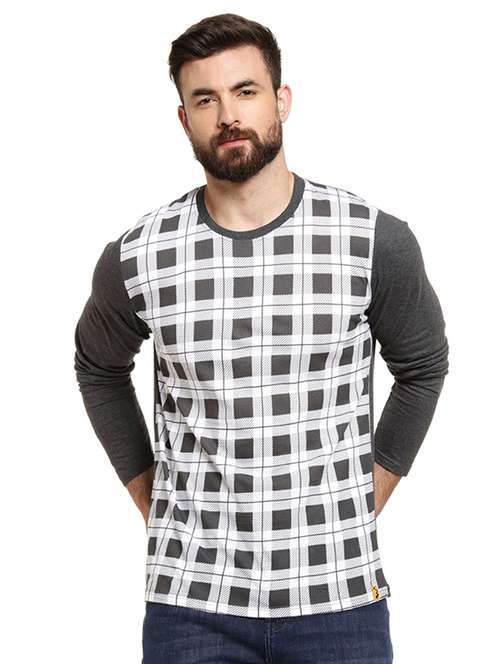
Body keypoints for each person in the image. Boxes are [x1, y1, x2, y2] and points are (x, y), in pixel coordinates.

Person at [73, 12, 449, 664]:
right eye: (205, 99)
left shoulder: (371, 240)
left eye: (245, 91)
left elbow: (423, 365)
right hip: (190, 606)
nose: (228, 116)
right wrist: (150, 495)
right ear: (184, 119)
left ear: (281, 100)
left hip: (339, 598)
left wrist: (371, 490)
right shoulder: (139, 255)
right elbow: (98, 368)